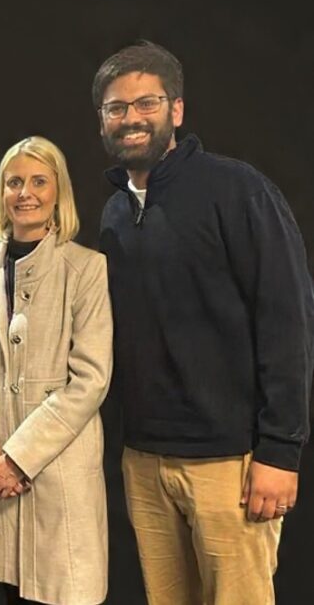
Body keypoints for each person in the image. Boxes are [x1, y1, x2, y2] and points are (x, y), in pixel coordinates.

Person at [94, 40, 314, 604]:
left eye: (147, 102)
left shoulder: (238, 190)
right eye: (117, 108)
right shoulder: (115, 212)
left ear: (177, 110)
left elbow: (287, 319)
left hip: (230, 463)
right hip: (145, 461)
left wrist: (279, 451)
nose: (132, 118)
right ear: (103, 121)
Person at [0, 136, 112, 605]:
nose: (25, 192)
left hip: (58, 471)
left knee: (60, 591)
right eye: (14, 182)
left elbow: (91, 379)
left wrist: (17, 459)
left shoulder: (86, 270)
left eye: (39, 181)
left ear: (59, 192)